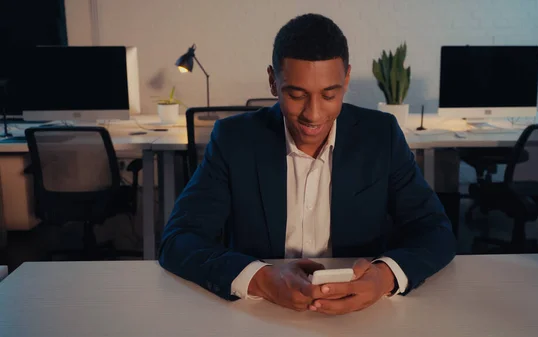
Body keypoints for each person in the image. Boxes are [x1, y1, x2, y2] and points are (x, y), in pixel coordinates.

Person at [159, 13, 455, 315]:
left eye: (330, 94)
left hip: (363, 317)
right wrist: (262, 280)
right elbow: (178, 240)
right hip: (259, 313)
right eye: (296, 95)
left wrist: (384, 277)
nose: (313, 115)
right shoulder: (234, 140)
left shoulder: (381, 136)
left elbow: (435, 231)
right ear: (273, 81)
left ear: (347, 79)